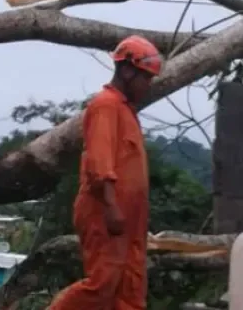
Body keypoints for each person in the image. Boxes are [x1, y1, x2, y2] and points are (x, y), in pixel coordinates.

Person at [48, 35, 163, 310]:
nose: (147, 86)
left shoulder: (125, 110)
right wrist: (111, 206)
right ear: (126, 70)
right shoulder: (105, 106)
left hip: (129, 219)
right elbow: (99, 163)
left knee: (130, 290)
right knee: (102, 285)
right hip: (106, 212)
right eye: (145, 78)